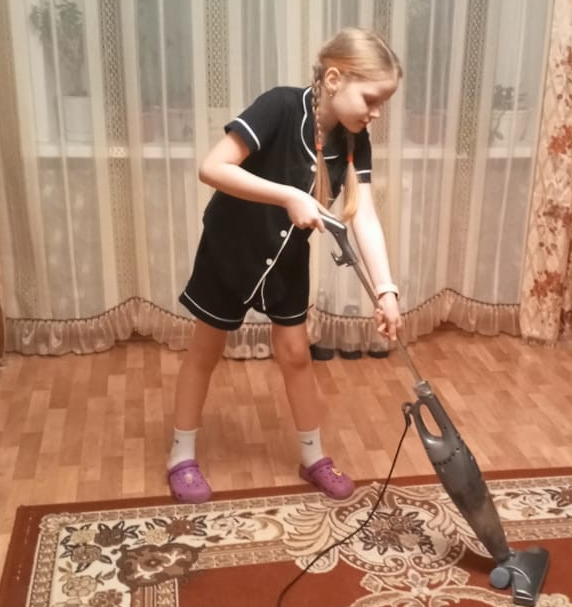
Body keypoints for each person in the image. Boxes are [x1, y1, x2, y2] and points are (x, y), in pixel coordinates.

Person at [167, 27, 402, 504]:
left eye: (383, 103)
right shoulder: (279, 106)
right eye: (372, 99)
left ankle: (313, 457)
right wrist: (289, 195)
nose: (376, 113)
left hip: (288, 260)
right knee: (206, 351)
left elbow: (364, 215)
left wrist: (386, 290)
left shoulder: (355, 141)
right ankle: (181, 455)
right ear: (334, 79)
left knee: (296, 355)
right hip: (230, 249)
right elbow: (213, 168)